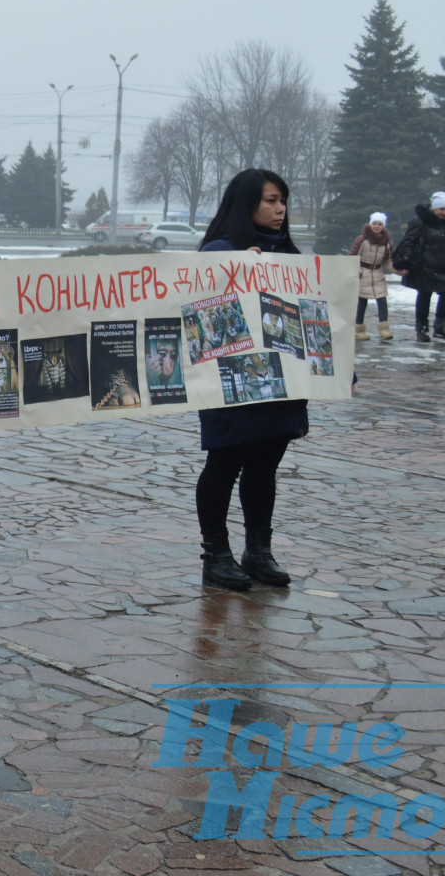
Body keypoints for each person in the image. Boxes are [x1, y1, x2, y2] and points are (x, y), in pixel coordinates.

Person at [194, 168, 306, 591]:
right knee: (224, 464)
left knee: (265, 464)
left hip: (283, 380)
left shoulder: (290, 255)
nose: (280, 209)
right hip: (231, 382)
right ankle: (216, 554)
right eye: (270, 201)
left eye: (282, 201)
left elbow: (316, 318)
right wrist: (242, 273)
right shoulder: (219, 252)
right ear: (247, 205)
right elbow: (202, 315)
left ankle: (258, 551)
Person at [396, 191, 445, 343]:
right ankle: (421, 329)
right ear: (434, 208)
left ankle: (440, 327)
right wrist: (404, 263)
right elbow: (409, 242)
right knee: (425, 296)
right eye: (442, 209)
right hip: (426, 267)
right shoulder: (420, 222)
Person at [348, 211, 400, 342]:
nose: (377, 226)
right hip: (363, 273)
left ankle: (384, 329)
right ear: (370, 224)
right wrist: (356, 270)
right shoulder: (362, 240)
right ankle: (359, 329)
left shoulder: (386, 243)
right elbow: (352, 257)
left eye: (380, 224)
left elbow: (387, 261)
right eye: (375, 223)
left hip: (377, 274)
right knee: (362, 302)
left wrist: (398, 271)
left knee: (382, 301)